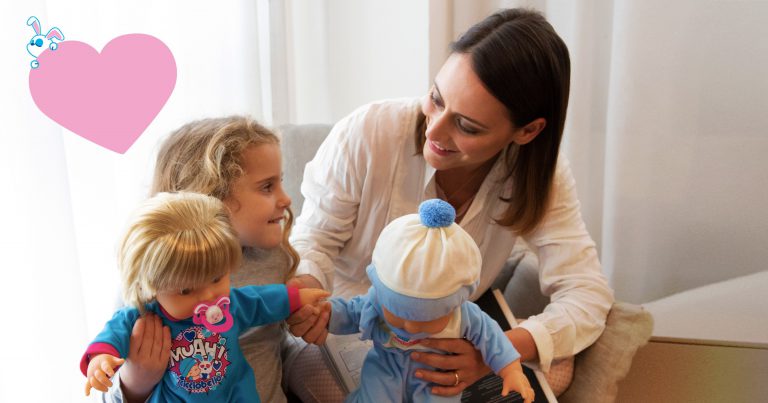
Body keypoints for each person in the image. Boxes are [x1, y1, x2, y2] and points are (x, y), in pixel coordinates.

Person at [288, 7, 615, 398]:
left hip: (446, 334)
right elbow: (313, 242)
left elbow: (587, 293)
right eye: (436, 98)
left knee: (558, 366)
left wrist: (495, 350)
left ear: (527, 131)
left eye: (468, 126)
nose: (435, 129)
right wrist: (307, 296)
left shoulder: (540, 175)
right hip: (356, 327)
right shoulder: (369, 132)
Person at [103, 116, 329, 402]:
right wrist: (136, 382)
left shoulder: (274, 258)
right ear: (211, 199)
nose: (286, 199)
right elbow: (110, 385)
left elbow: (279, 335)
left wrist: (305, 319)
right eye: (267, 187)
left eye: (280, 182)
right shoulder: (154, 275)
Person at [81, 191, 329, 402]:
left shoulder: (229, 304)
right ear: (152, 286)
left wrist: (298, 297)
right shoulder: (141, 315)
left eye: (216, 278)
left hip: (236, 393)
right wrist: (100, 361)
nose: (209, 296)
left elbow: (262, 301)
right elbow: (108, 339)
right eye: (187, 291)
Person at [328, 199, 534, 403]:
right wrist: (323, 313)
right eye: (398, 315)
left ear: (453, 305)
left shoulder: (464, 315)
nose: (410, 326)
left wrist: (511, 370)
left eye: (426, 319)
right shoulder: (376, 302)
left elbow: (492, 337)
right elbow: (349, 312)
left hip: (436, 379)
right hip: (385, 367)